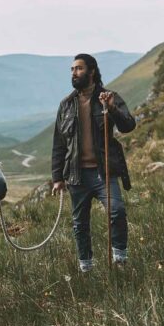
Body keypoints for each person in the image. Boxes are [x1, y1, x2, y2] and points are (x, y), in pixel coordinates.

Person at [51, 53, 136, 272]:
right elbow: (59, 143)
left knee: (116, 211)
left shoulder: (109, 97)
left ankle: (120, 260)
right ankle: (86, 268)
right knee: (80, 224)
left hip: (103, 172)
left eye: (78, 69)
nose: (74, 73)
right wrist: (57, 177)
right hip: (77, 175)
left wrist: (112, 108)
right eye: (72, 69)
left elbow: (128, 126)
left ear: (91, 71)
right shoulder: (66, 105)